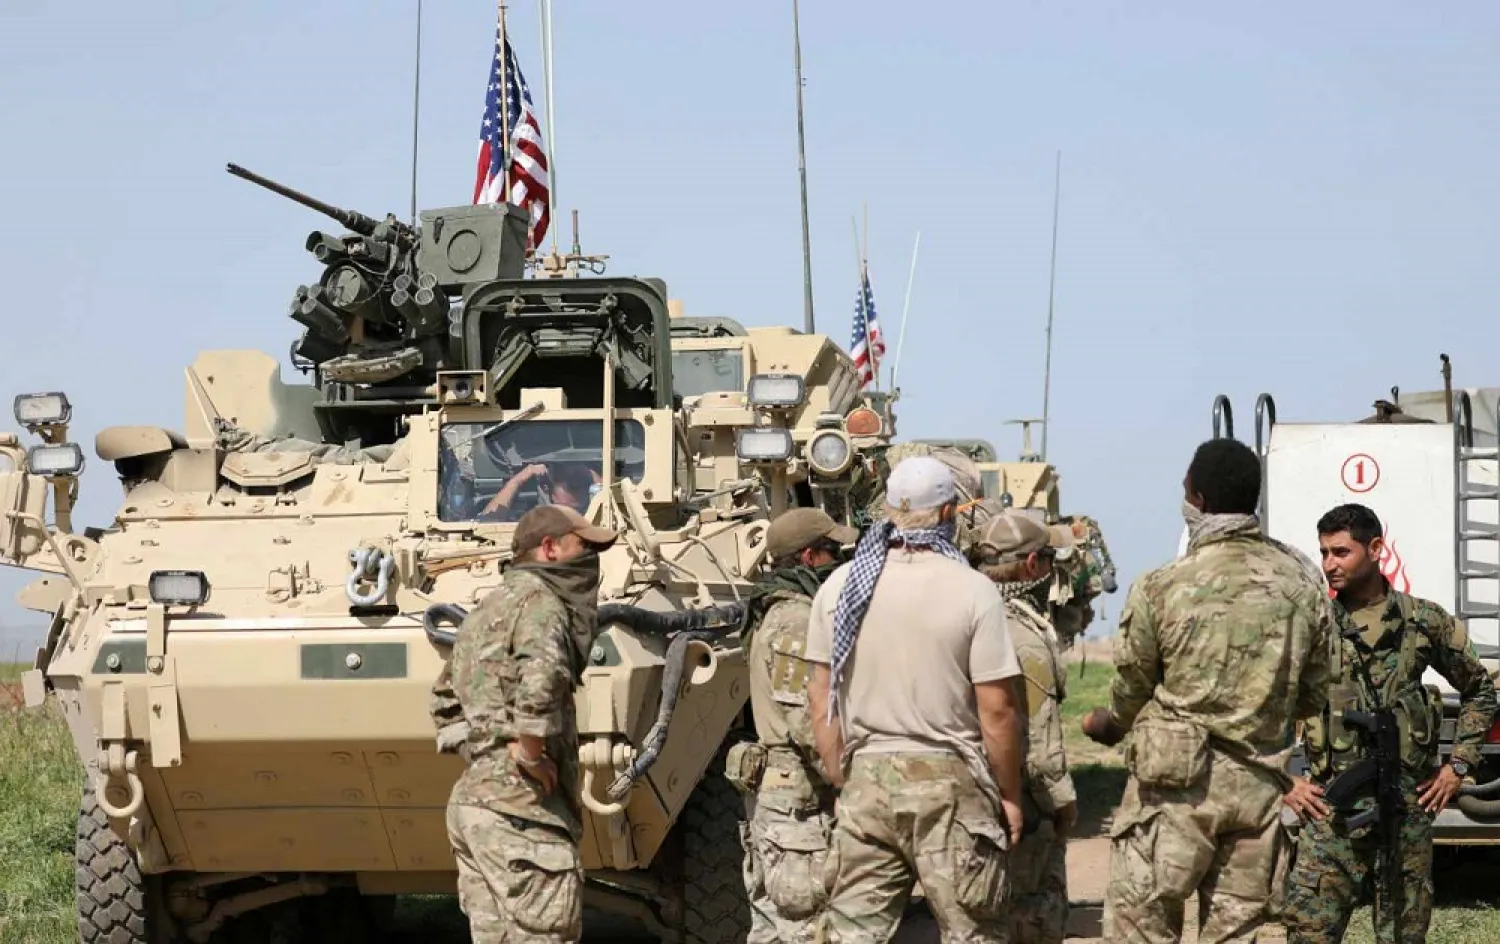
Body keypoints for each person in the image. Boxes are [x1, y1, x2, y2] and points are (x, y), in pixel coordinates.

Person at [1081, 437, 1335, 944]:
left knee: (1141, 927)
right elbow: (1313, 693)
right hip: (1258, 791)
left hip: (1174, 790)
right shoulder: (1302, 582)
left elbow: (1132, 687)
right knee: (1236, 933)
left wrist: (1110, 724)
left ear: (1197, 500)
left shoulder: (1162, 585)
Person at [805, 455, 1027, 942]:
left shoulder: (839, 589)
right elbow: (997, 710)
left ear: (888, 510)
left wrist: (843, 778)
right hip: (952, 790)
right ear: (948, 514)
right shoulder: (974, 591)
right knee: (973, 931)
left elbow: (822, 698)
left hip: (866, 785)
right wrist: (1009, 795)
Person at [1279, 502, 1498, 943]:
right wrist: (1285, 781)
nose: (1329, 564)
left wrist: (1458, 766)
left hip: (1405, 815)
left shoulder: (1423, 621)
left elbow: (1480, 690)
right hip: (1330, 819)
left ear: (1376, 548)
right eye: (1324, 553)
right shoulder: (1311, 625)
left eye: (1341, 552)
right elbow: (1259, 707)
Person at [435, 503, 619, 943]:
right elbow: (542, 678)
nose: (591, 560)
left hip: (474, 808)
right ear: (550, 549)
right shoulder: (543, 603)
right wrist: (528, 754)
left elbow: (444, 698)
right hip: (524, 813)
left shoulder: (487, 606)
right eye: (583, 547)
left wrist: (487, 754)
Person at [730, 507, 858, 943]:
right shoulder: (797, 621)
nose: (838, 561)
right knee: (807, 929)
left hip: (783, 804)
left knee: (773, 930)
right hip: (799, 808)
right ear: (809, 556)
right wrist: (848, 783)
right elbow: (809, 723)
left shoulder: (773, 610)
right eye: (832, 551)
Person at [968, 510, 1078, 944]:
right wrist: (1062, 804)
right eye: (1048, 559)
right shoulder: (1024, 637)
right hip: (1023, 807)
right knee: (1032, 920)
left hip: (970, 798)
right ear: (1033, 565)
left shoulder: (966, 616)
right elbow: (1039, 744)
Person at [480, 461, 601, 518]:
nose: (576, 485)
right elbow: (488, 521)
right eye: (568, 484)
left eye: (580, 481)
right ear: (546, 488)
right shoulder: (534, 520)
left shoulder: (596, 517)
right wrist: (517, 480)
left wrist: (599, 481)